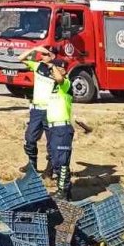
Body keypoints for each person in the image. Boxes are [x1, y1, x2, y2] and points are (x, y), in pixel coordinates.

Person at [18, 45, 57, 174]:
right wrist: (35, 50)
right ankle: (32, 164)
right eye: (43, 54)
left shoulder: (57, 69)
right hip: (36, 110)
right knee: (30, 138)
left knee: (51, 141)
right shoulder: (38, 66)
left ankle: (50, 168)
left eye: (46, 54)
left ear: (53, 55)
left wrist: (53, 66)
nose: (43, 56)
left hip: (50, 110)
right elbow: (20, 58)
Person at [46, 61, 74, 199]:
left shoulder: (66, 83)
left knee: (62, 161)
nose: (53, 71)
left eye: (57, 68)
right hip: (53, 128)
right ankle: (65, 190)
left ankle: (63, 191)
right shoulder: (55, 86)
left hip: (62, 128)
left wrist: (52, 66)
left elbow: (59, 78)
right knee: (56, 160)